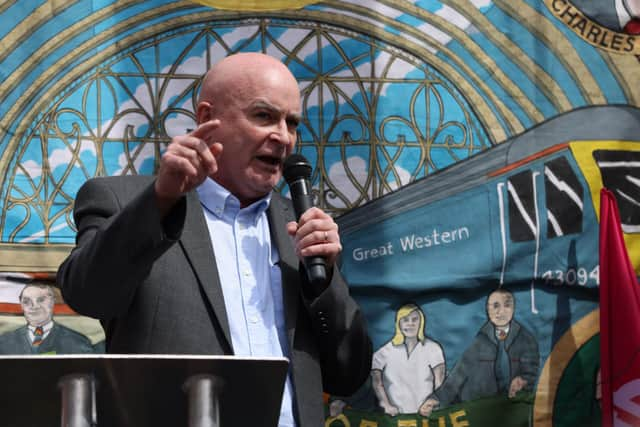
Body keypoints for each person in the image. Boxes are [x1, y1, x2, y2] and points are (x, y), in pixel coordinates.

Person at [57, 52, 372, 427]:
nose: (283, 136)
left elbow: (349, 375)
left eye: (292, 123)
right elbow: (88, 293)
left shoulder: (300, 229)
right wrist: (160, 200)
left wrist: (326, 283)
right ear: (207, 119)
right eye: (264, 116)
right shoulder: (127, 202)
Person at [421, 288, 539, 415]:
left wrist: (523, 381)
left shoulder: (525, 339)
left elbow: (531, 372)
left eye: (507, 305)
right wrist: (436, 399)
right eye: (495, 306)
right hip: (480, 411)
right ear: (488, 310)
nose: (501, 311)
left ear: (513, 308)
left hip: (511, 412)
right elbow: (458, 375)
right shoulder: (480, 340)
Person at [371, 303, 445, 416]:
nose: (410, 324)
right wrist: (386, 405)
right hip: (394, 418)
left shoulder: (433, 348)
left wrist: (434, 404)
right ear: (399, 323)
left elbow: (439, 382)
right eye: (405, 320)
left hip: (425, 417)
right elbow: (376, 381)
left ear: (421, 322)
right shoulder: (384, 352)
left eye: (415, 319)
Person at [0, 284, 94, 354]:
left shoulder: (77, 342)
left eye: (41, 300)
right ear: (21, 305)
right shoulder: (4, 342)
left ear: (53, 302)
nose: (34, 306)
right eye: (26, 301)